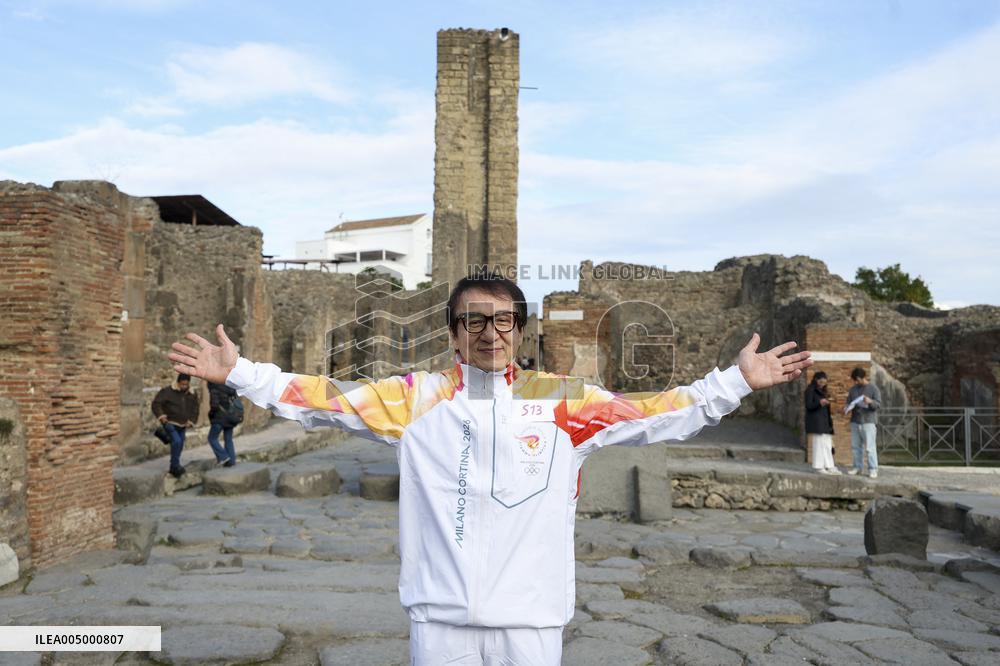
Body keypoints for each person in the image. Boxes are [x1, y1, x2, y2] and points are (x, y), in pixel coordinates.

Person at [167, 274, 812, 665]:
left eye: (503, 321)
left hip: (531, 616)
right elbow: (326, 401)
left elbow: (655, 413)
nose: (489, 332)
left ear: (519, 331)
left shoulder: (565, 402)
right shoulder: (416, 399)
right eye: (473, 321)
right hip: (440, 616)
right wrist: (244, 375)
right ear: (453, 332)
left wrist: (734, 383)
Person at [151, 373, 200, 478]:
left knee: (180, 444)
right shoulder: (167, 391)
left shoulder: (192, 393)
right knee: (176, 441)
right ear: (178, 383)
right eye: (182, 384)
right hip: (170, 422)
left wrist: (191, 420)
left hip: (183, 424)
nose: (184, 387)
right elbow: (156, 403)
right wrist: (162, 416)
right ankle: (174, 466)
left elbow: (195, 408)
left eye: (186, 385)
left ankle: (175, 464)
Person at [846, 366, 882, 478]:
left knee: (870, 447)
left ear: (861, 378)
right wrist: (848, 407)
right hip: (855, 421)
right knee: (856, 446)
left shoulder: (873, 388)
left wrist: (870, 401)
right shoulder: (853, 390)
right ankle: (857, 467)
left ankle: (873, 469)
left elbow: (878, 405)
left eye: (856, 380)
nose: (856, 382)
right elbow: (848, 402)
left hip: (868, 422)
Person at [804, 371, 839, 475]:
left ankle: (830, 465)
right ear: (816, 380)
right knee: (819, 444)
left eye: (824, 382)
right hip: (816, 422)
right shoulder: (810, 390)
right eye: (821, 381)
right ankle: (818, 466)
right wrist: (819, 403)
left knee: (827, 444)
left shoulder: (822, 391)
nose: (822, 384)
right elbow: (809, 405)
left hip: (824, 422)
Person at [208, 381, 239, 467]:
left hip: (219, 418)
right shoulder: (230, 386)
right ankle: (232, 461)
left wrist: (210, 415)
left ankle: (223, 456)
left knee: (212, 438)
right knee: (228, 439)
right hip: (230, 417)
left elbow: (214, 405)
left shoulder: (214, 388)